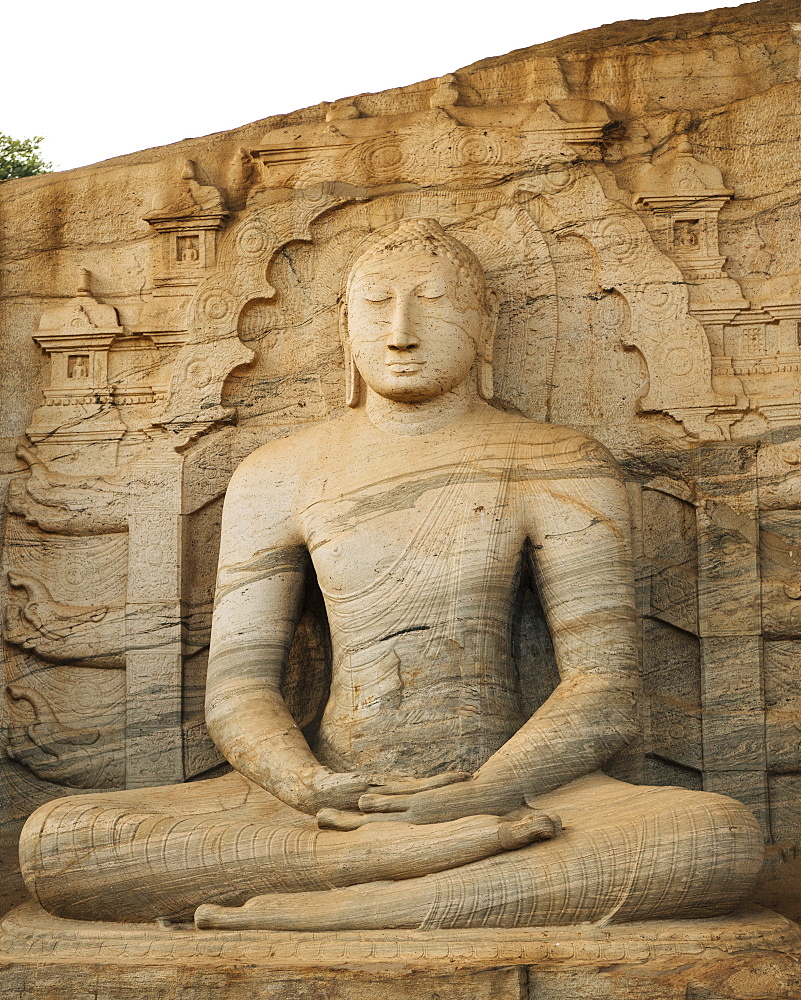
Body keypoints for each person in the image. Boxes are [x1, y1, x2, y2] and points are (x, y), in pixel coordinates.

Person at [19, 219, 763, 929]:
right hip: (323, 808)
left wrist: (481, 795)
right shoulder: (278, 472)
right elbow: (241, 689)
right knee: (58, 842)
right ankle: (412, 869)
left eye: (433, 304)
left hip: (505, 793)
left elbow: (601, 690)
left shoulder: (555, 461)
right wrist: (304, 785)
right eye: (375, 304)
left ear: (486, 325)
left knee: (712, 838)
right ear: (343, 325)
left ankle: (347, 901)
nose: (399, 329)